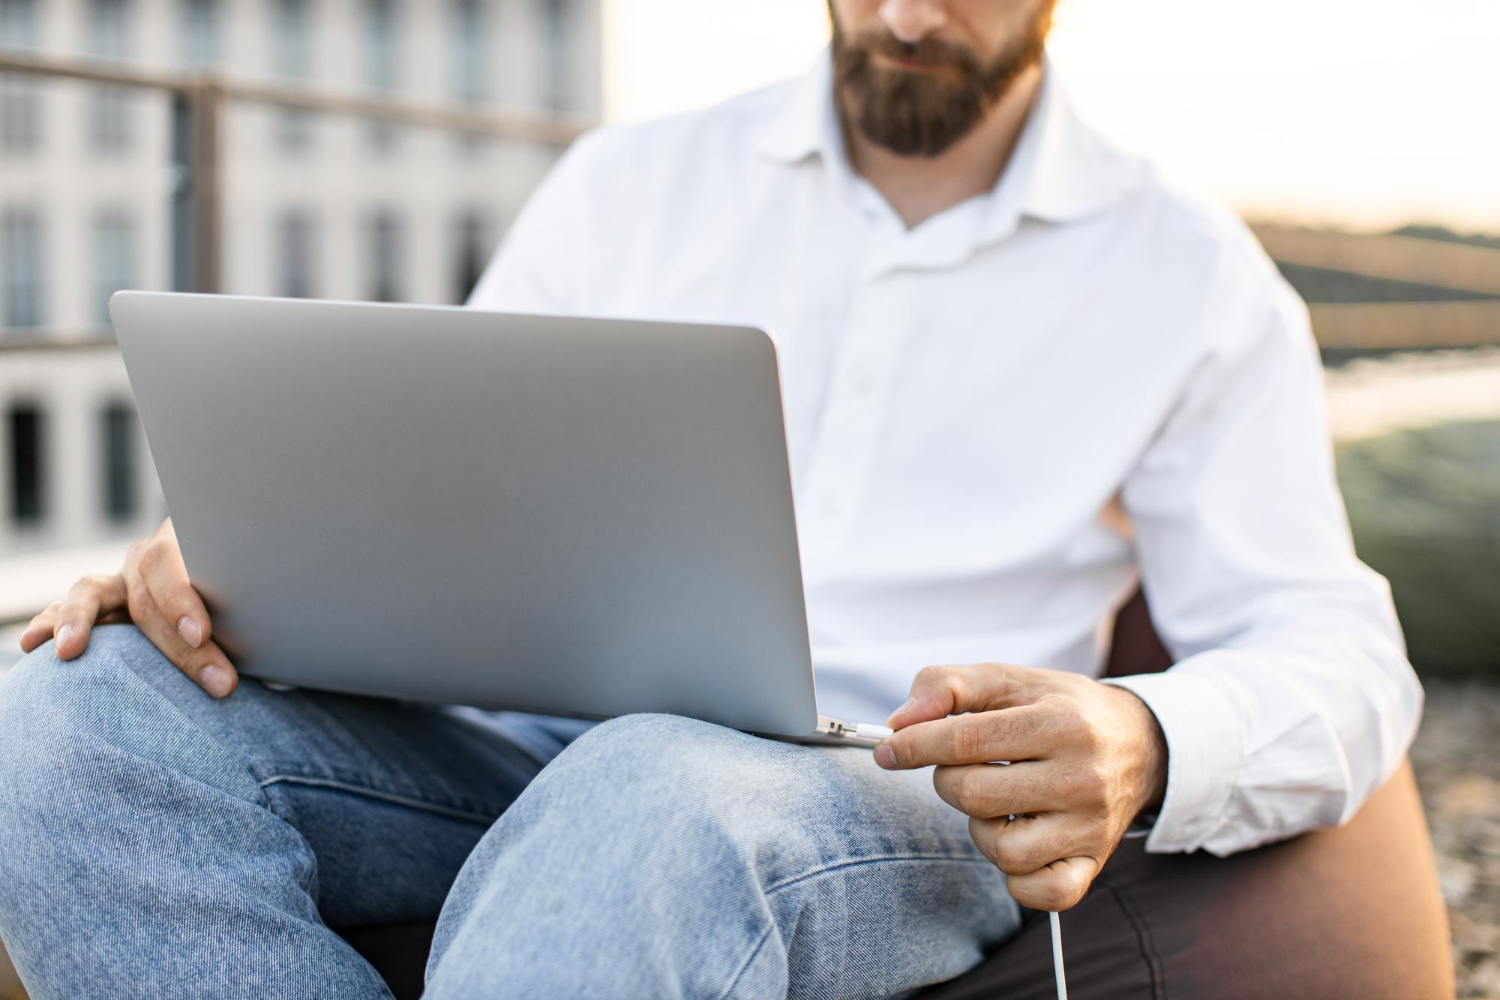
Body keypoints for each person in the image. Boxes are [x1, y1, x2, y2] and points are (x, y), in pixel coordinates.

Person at [0, 0, 1422, 997]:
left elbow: (1341, 654)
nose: (909, 17)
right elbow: (443, 458)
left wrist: (1140, 731)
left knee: (652, 794)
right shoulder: (634, 181)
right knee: (66, 710)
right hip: (518, 749)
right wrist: (251, 551)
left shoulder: (1186, 273)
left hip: (891, 789)